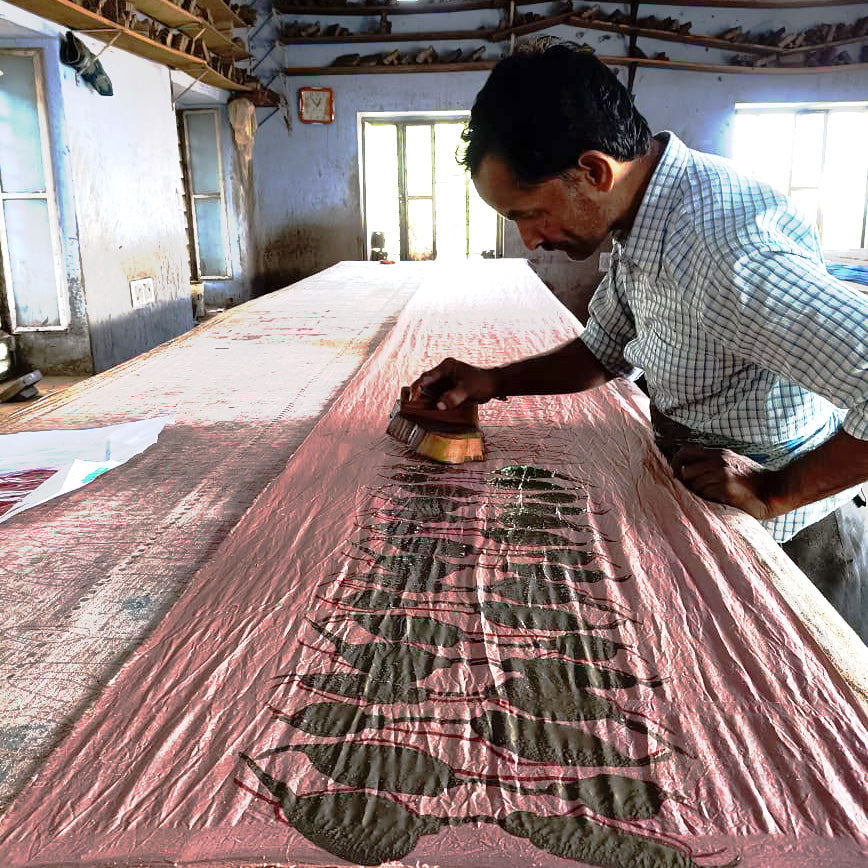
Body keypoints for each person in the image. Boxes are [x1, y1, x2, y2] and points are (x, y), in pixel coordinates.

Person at [411, 43, 868, 639]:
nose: (529, 239)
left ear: (594, 171)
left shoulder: (717, 251)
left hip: (792, 544)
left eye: (531, 213)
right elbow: (601, 351)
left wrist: (775, 491)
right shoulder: (643, 218)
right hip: (713, 500)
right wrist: (493, 382)